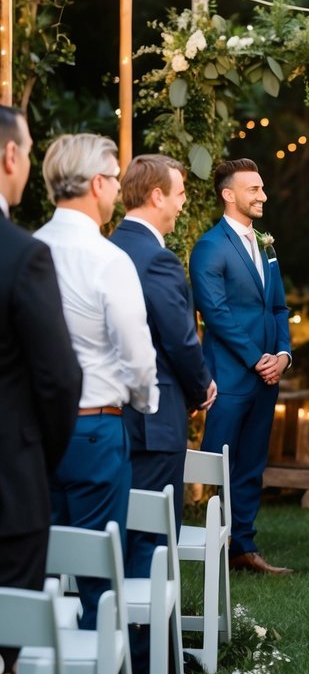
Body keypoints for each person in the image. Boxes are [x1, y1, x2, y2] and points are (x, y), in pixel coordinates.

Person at [35, 134, 158, 631]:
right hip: (95, 429)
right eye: (114, 177)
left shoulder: (30, 249)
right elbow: (137, 355)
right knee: (97, 573)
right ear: (98, 183)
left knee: (35, 563)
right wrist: (142, 400)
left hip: (33, 434)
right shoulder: (108, 259)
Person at [0, 107, 81, 674]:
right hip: (8, 482)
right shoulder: (21, 256)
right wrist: (39, 454)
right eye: (27, 151)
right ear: (10, 157)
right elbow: (58, 379)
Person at [109, 154, 216, 576]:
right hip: (154, 419)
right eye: (180, 194)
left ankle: (118, 629)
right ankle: (149, 640)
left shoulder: (109, 246)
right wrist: (201, 387)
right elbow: (179, 337)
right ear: (157, 195)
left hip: (111, 416)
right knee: (152, 538)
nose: (183, 204)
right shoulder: (156, 258)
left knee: (117, 527)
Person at [190, 158, 292, 576]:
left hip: (268, 374)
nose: (262, 195)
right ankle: (210, 545)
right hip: (231, 377)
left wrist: (283, 355)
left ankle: (243, 547)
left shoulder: (266, 246)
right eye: (253, 189)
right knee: (220, 465)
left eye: (262, 188)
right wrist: (256, 359)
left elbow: (280, 307)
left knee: (252, 464)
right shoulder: (210, 247)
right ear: (228, 194)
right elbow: (214, 313)